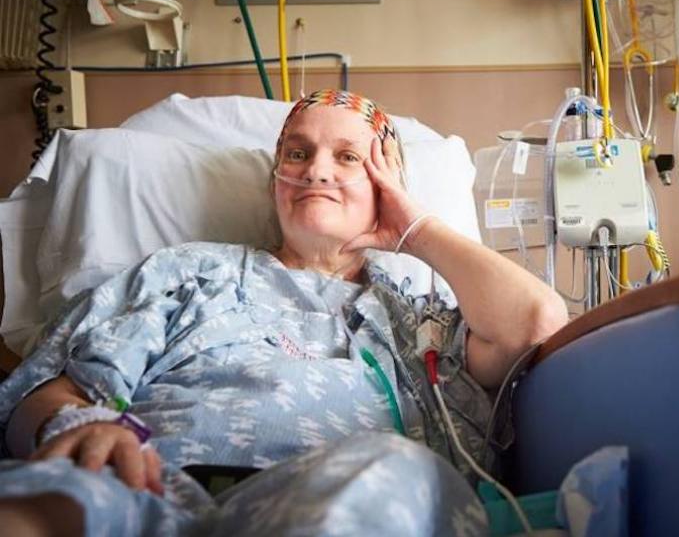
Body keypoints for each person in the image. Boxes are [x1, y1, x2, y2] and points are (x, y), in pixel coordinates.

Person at [0, 89, 569, 536]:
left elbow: (536, 323)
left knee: (390, 472)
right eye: (298, 153)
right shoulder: (187, 274)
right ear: (275, 179)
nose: (317, 170)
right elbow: (42, 390)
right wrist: (77, 425)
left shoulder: (419, 322)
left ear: (390, 184)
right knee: (44, 504)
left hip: (340, 508)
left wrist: (416, 229)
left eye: (348, 157)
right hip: (144, 486)